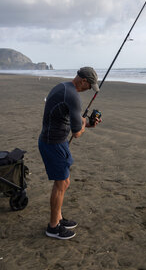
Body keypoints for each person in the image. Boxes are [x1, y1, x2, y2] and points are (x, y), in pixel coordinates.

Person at [38, 67, 101, 240]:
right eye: (90, 86)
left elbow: (68, 120)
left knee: (64, 182)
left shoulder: (64, 87)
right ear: (83, 81)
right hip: (53, 144)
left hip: (55, 141)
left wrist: (88, 124)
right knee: (60, 184)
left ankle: (58, 218)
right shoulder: (72, 96)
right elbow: (77, 133)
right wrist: (83, 125)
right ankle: (53, 227)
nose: (89, 90)